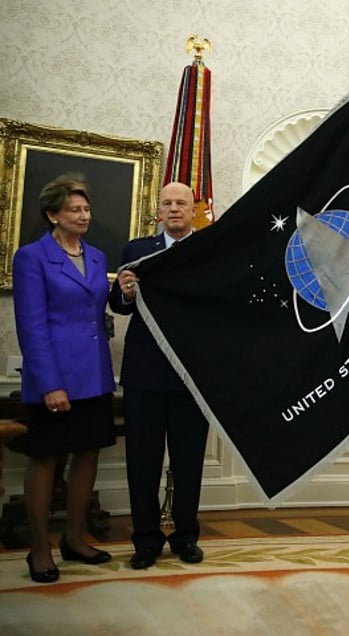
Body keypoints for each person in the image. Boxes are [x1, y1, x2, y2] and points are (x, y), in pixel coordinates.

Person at [12, 176, 116, 583]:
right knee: (46, 458)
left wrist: (122, 289)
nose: (84, 215)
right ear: (53, 214)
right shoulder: (32, 257)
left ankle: (74, 538)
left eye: (87, 209)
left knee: (88, 453)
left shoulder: (97, 257)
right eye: (75, 209)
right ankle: (40, 548)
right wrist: (51, 383)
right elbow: (32, 326)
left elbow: (99, 311)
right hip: (54, 377)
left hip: (94, 374)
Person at [109, 181, 208, 569]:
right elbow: (118, 305)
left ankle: (186, 536)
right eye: (166, 203)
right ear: (159, 211)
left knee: (188, 462)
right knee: (142, 462)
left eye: (181, 203)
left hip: (192, 375)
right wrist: (127, 294)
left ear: (193, 209)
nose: (173, 209)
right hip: (145, 375)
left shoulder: (209, 250)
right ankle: (146, 540)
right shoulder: (136, 251)